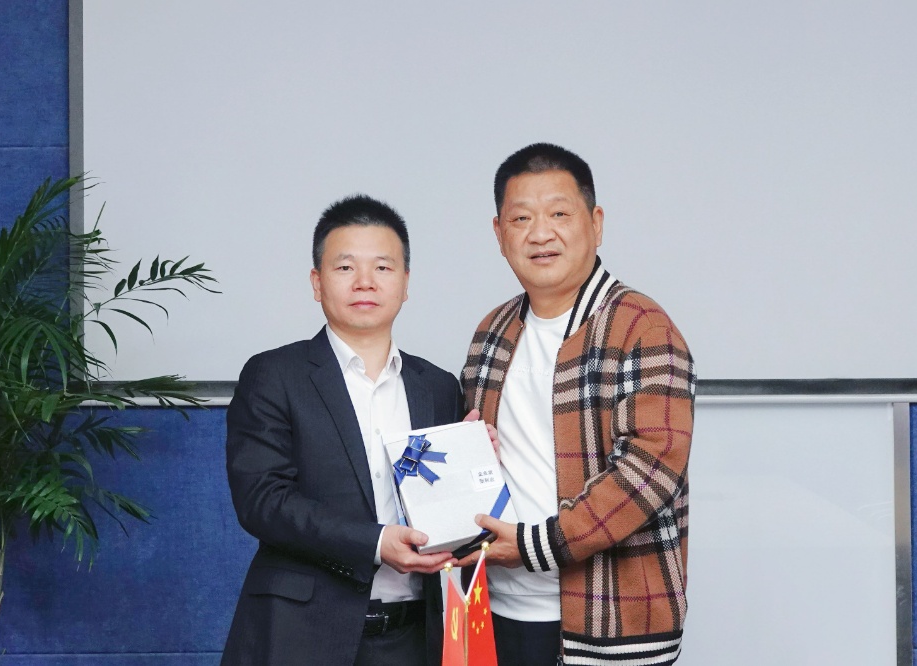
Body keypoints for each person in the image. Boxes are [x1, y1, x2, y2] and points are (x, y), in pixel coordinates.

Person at [459, 143, 696, 665]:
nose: (540, 233)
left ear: (596, 223)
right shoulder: (492, 332)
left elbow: (648, 472)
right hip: (495, 608)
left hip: (610, 619)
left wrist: (535, 546)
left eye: (559, 214)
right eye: (521, 218)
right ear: (499, 233)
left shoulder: (640, 325)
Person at [223, 195, 474, 665]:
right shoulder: (274, 374)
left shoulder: (439, 387)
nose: (365, 282)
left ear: (405, 283)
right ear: (316, 282)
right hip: (300, 635)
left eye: (382, 267)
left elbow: (449, 504)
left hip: (415, 638)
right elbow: (262, 501)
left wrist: (478, 460)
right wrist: (375, 542)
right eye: (344, 267)